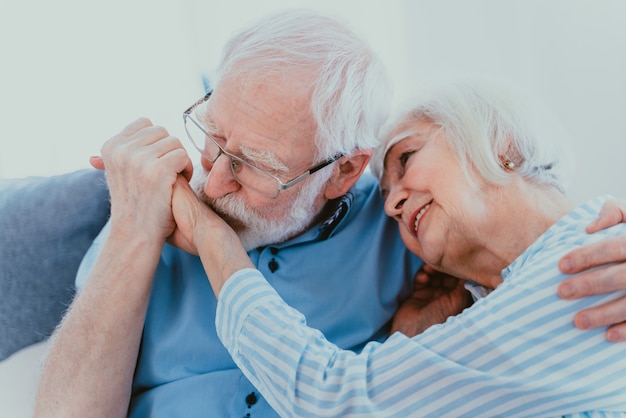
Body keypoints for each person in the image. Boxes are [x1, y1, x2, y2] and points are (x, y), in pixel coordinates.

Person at [35, 10, 626, 418]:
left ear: (344, 171)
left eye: (255, 163)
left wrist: (215, 240)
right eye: (212, 136)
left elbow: (340, 401)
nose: (213, 178)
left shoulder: (557, 268)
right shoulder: (147, 210)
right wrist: (133, 234)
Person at [163, 81, 626, 417]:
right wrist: (407, 342)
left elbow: (333, 401)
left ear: (499, 140)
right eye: (384, 194)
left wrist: (215, 242)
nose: (394, 204)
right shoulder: (517, 295)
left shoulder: (585, 271)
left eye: (406, 159)